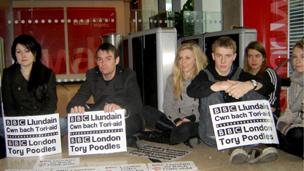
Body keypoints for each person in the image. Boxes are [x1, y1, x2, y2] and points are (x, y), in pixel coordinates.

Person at [187, 36, 277, 164]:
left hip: (238, 130)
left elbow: (269, 86)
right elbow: (191, 90)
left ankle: (254, 142)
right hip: (212, 134)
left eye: (228, 56)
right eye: (219, 56)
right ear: (213, 56)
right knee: (211, 93)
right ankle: (242, 147)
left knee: (252, 90)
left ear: (234, 57)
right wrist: (219, 85)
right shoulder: (205, 73)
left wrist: (249, 84)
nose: (223, 61)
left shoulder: (239, 73)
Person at [0, 34, 67, 158]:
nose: (23, 55)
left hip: (41, 124)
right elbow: (8, 105)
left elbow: (51, 103)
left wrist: (36, 125)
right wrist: (24, 126)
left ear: (34, 52)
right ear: (14, 55)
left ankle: (39, 140)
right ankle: (26, 142)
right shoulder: (8, 74)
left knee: (64, 123)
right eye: (18, 52)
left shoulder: (47, 73)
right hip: (20, 125)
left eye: (27, 51)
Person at [66, 42, 143, 147]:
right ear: (97, 62)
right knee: (69, 120)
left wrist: (121, 110)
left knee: (134, 121)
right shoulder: (92, 76)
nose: (103, 63)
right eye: (100, 59)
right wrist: (75, 109)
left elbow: (137, 103)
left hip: (124, 118)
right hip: (102, 117)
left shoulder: (127, 75)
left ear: (117, 60)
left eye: (108, 59)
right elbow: (74, 101)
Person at [139, 42, 208, 146]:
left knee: (186, 129)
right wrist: (177, 120)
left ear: (196, 59)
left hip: (194, 121)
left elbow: (205, 109)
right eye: (180, 58)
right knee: (145, 110)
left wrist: (190, 119)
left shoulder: (204, 78)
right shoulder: (172, 79)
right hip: (174, 121)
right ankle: (181, 137)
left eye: (187, 58)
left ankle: (150, 136)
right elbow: (167, 106)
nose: (183, 62)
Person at [277, 39, 304, 158]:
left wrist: (288, 128)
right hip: (297, 126)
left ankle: (282, 144)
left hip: (300, 128)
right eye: (294, 57)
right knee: (271, 126)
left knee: (296, 134)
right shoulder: (295, 81)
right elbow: (291, 111)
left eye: (303, 56)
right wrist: (282, 123)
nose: (298, 61)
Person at [243, 41, 281, 119]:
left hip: (269, 114)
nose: (253, 60)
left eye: (257, 56)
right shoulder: (243, 75)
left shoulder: (270, 74)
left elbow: (272, 105)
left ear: (263, 58)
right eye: (250, 56)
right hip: (248, 114)